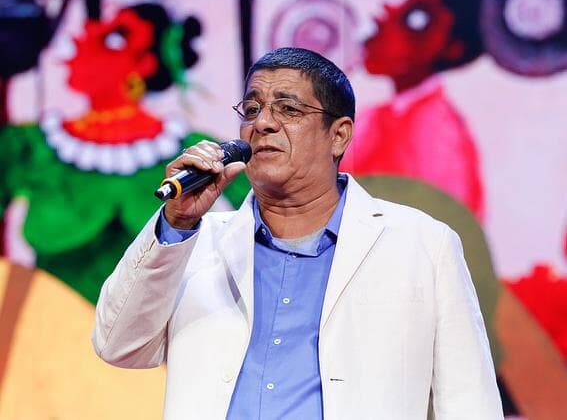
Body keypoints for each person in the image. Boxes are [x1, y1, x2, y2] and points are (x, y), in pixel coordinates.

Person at [93, 47, 503, 419]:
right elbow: (118, 345)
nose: (262, 123)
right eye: (251, 109)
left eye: (288, 110)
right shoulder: (193, 240)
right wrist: (178, 222)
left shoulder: (422, 244)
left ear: (339, 135)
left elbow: (469, 402)